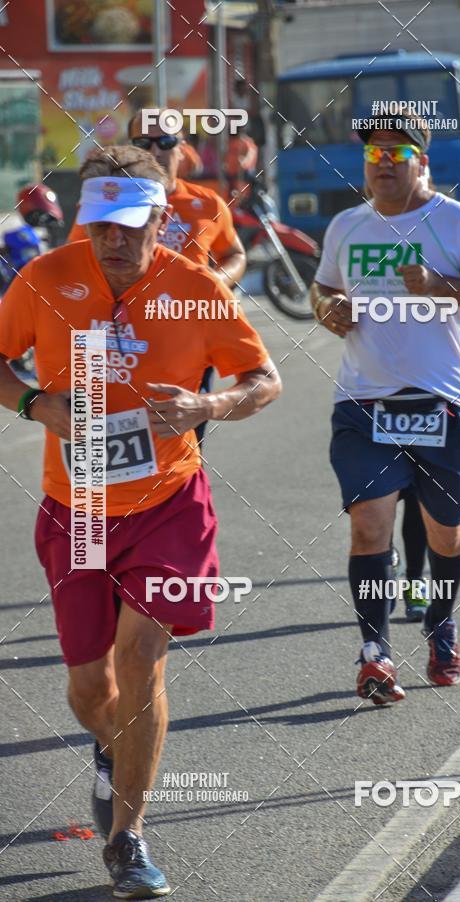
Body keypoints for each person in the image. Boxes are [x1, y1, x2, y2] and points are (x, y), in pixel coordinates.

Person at [0, 145, 281, 897]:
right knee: (90, 688)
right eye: (99, 225)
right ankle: (113, 749)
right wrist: (36, 402)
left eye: (129, 225)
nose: (113, 241)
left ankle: (128, 837)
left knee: (142, 653)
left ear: (163, 216)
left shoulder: (194, 287)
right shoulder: (46, 277)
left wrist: (206, 406)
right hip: (79, 508)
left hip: (167, 503)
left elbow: (264, 380)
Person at [311, 115, 460, 705]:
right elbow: (323, 288)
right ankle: (375, 652)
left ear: (421, 161)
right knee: (368, 524)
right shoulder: (347, 225)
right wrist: (327, 310)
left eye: (397, 152)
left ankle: (441, 621)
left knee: (445, 536)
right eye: (374, 154)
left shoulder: (458, 223)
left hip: (443, 401)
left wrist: (439, 284)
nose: (382, 163)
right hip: (363, 401)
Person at [69, 110, 247, 447]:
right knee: (93, 444)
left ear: (183, 148)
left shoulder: (207, 203)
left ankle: (176, 494)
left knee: (178, 437)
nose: (156, 150)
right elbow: (73, 258)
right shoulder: (107, 200)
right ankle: (90, 498)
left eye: (165, 141)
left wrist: (215, 282)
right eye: (143, 142)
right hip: (109, 337)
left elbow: (235, 254)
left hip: (183, 336)